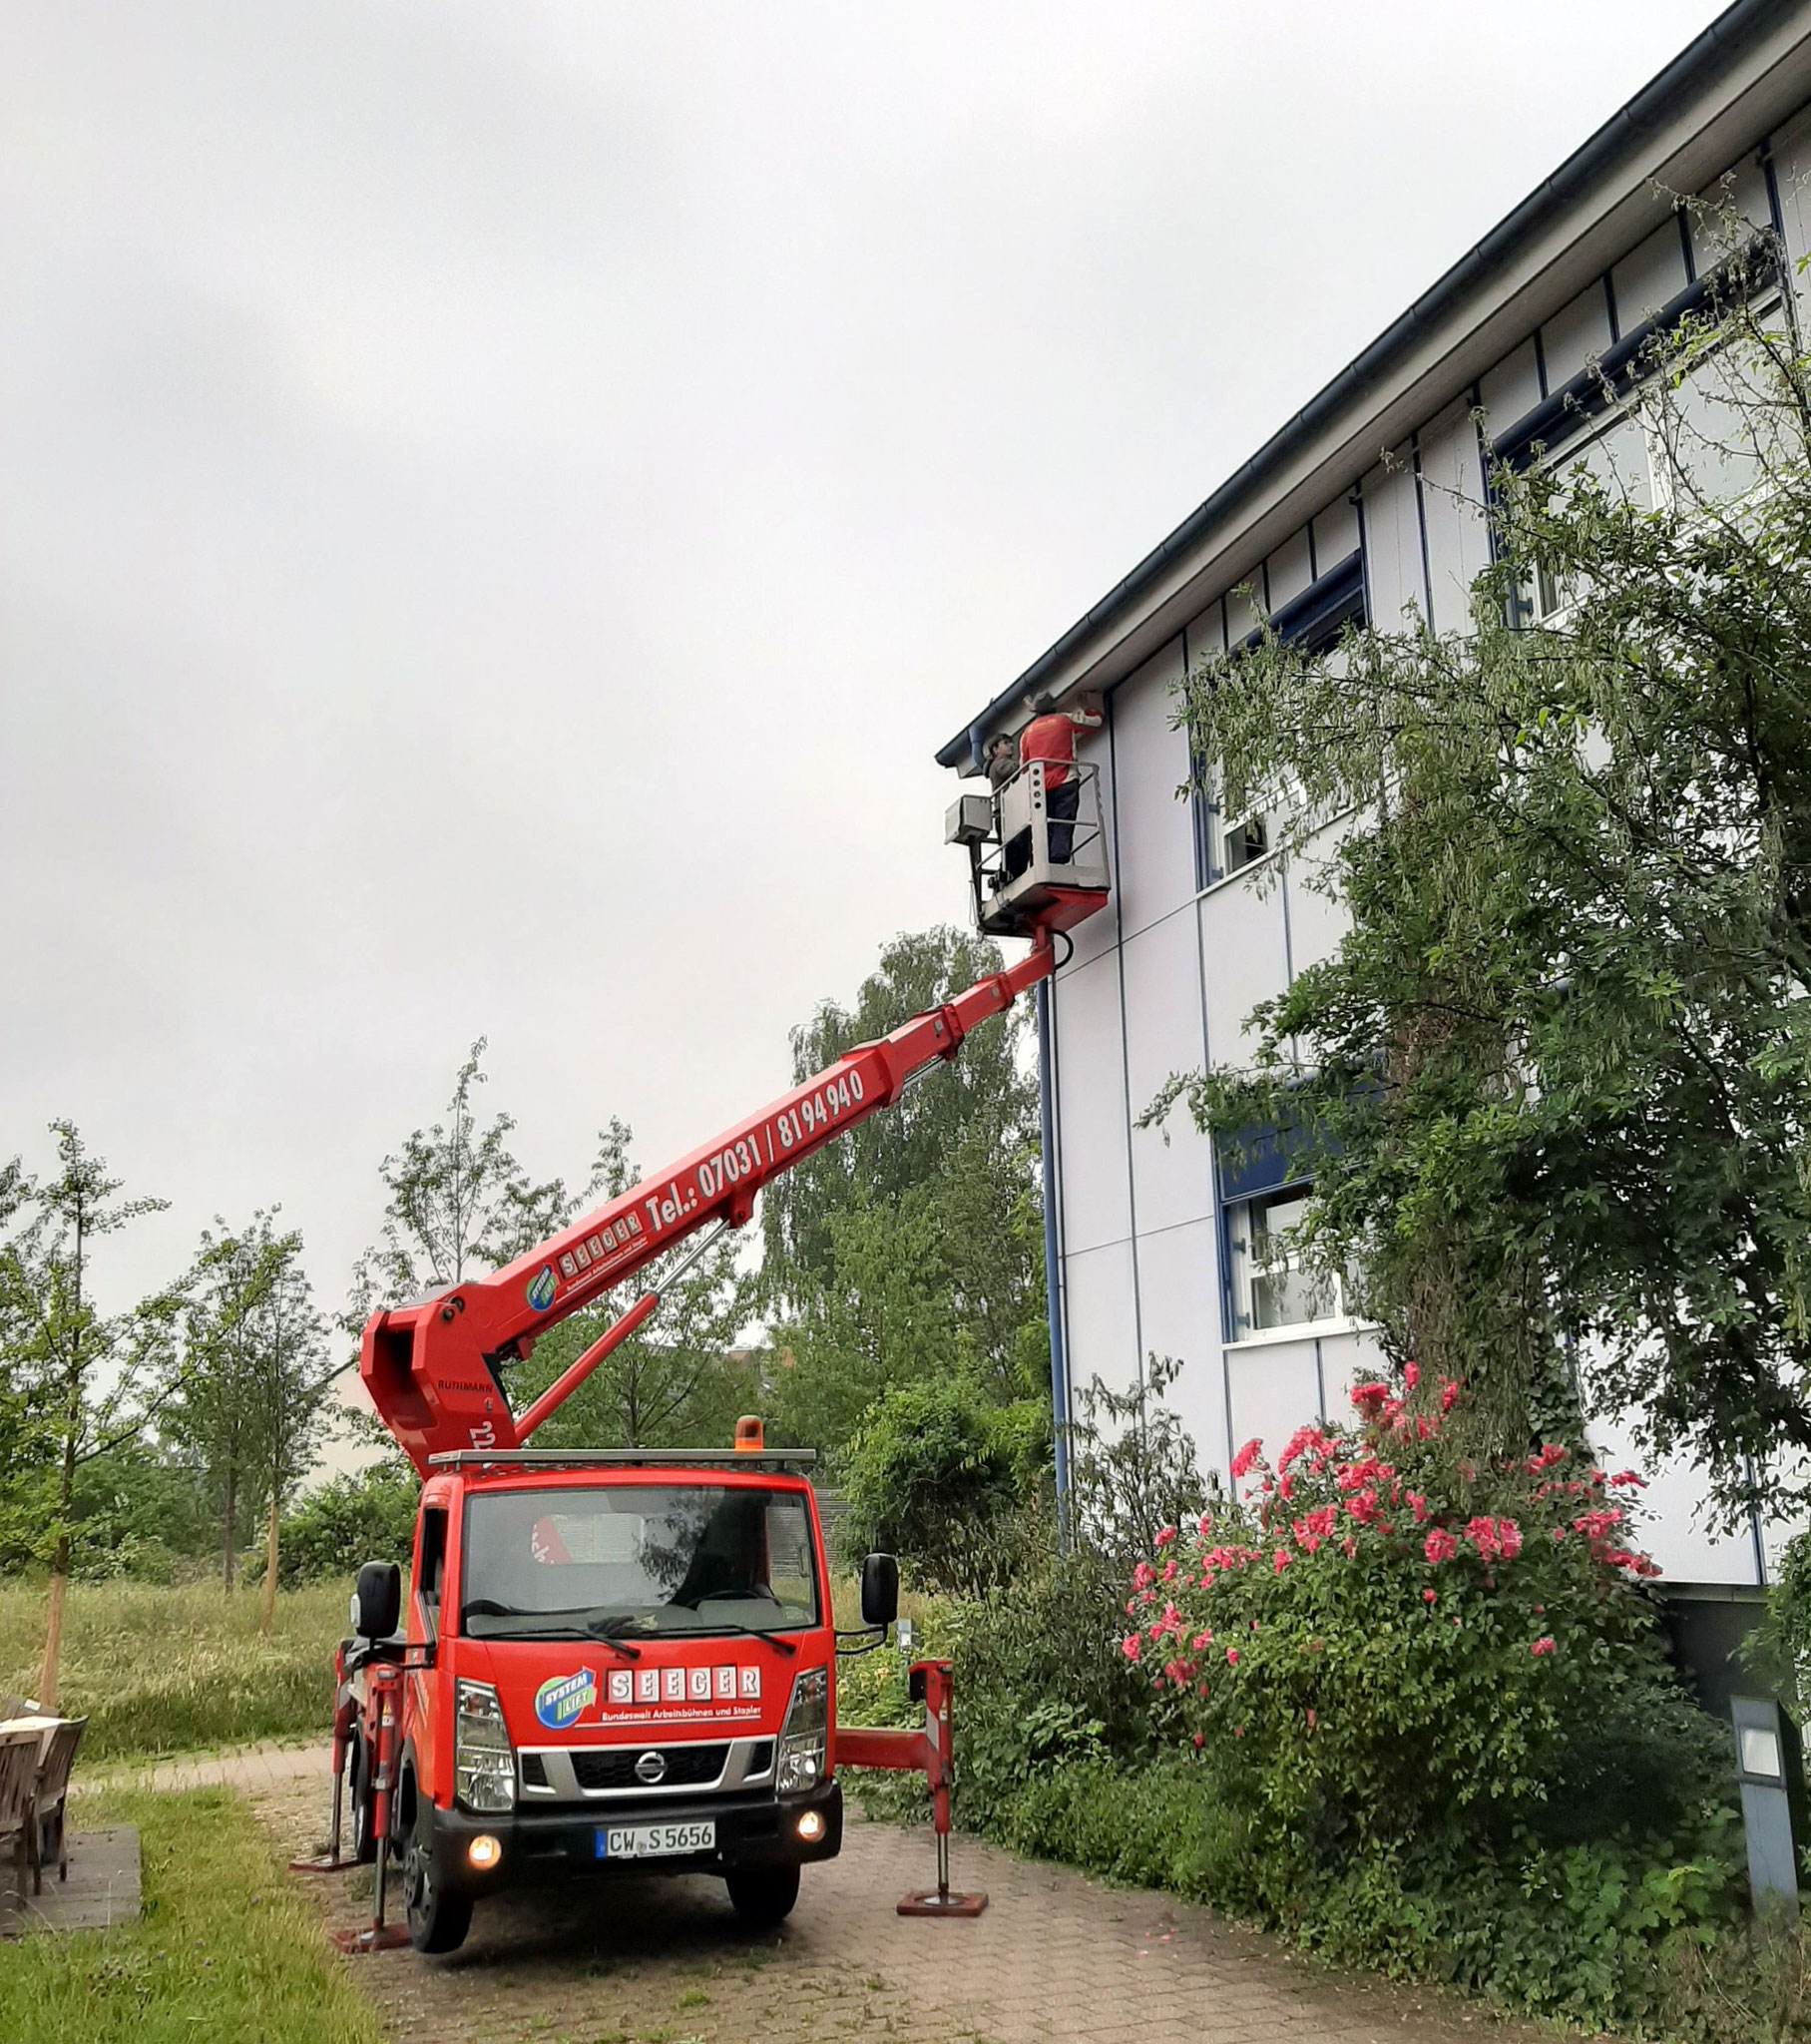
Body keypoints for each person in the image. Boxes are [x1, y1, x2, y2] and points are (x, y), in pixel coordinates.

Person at [1019, 694, 1104, 862]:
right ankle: (1058, 856)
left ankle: (1044, 860)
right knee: (1064, 821)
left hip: (1040, 786)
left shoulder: (1027, 733)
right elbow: (1096, 722)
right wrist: (1087, 706)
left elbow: (1023, 767)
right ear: (1054, 707)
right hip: (1066, 779)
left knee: (1044, 824)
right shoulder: (1064, 720)